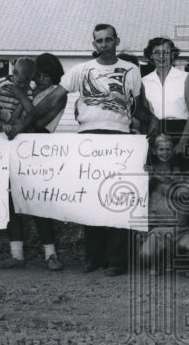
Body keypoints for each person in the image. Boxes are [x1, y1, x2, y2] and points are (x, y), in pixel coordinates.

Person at [62, 24, 148, 276]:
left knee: (117, 198)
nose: (104, 44)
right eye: (99, 41)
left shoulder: (131, 70)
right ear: (93, 44)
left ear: (116, 41)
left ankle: (117, 261)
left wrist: (152, 125)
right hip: (89, 137)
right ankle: (94, 257)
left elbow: (139, 106)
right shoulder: (81, 70)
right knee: (91, 199)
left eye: (108, 40)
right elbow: (59, 95)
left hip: (120, 138)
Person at [0, 53, 68, 270]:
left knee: (39, 201)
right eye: (37, 75)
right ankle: (16, 254)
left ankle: (51, 254)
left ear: (54, 77)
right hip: (15, 145)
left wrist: (20, 100)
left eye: (46, 76)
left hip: (39, 146)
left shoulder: (57, 93)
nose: (40, 80)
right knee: (11, 200)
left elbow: (38, 120)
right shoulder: (29, 90)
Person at [139, 134, 189, 277]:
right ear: (154, 151)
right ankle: (160, 260)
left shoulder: (179, 170)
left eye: (168, 149)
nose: (165, 153)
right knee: (146, 254)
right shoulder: (148, 173)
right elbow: (178, 192)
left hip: (181, 231)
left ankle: (178, 260)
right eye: (161, 149)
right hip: (158, 232)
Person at [141, 37, 189, 160]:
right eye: (157, 52)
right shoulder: (144, 81)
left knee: (183, 177)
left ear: (173, 55)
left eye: (166, 52)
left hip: (181, 132)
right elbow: (145, 115)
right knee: (158, 178)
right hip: (156, 135)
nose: (161, 56)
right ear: (151, 56)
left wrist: (182, 143)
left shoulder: (185, 77)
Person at [0, 57, 36, 131]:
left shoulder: (28, 91)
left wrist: (22, 96)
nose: (22, 86)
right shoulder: (2, 82)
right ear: (13, 73)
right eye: (19, 82)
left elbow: (29, 111)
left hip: (11, 123)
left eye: (26, 83)